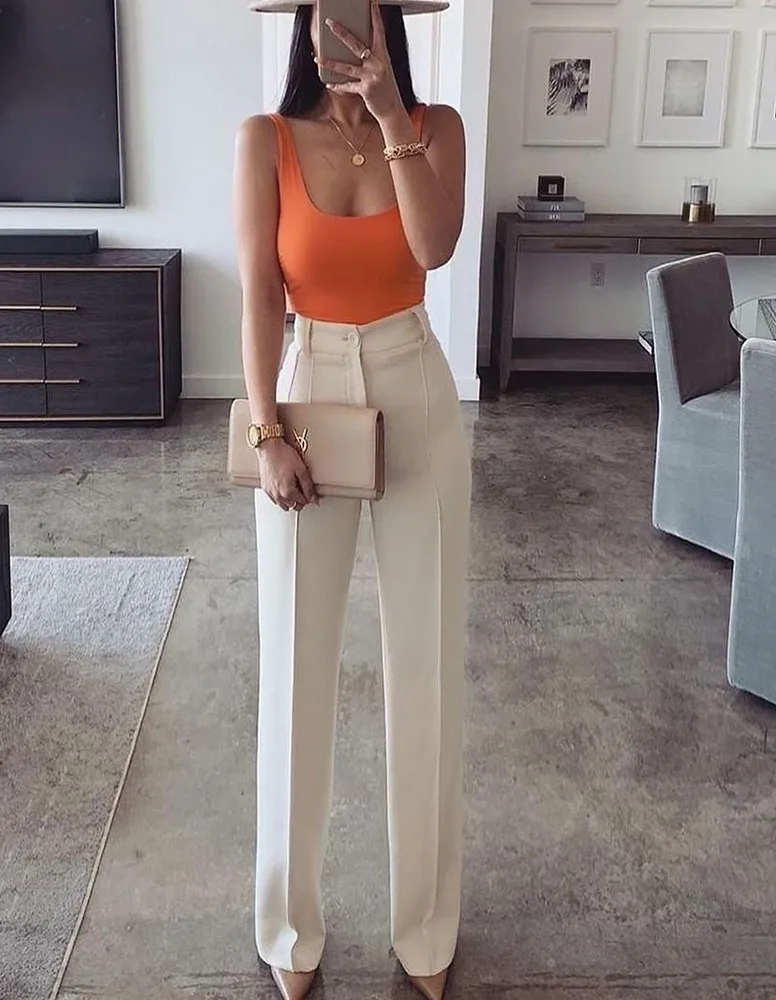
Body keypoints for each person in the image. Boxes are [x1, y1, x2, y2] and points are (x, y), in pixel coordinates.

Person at [233, 2, 470, 998]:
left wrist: (391, 118)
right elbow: (259, 289)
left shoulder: (436, 126)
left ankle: (426, 931)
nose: (343, 29)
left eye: (361, 10)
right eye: (326, 10)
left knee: (427, 664)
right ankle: (289, 931)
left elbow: (434, 247)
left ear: (385, 21)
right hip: (309, 389)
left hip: (413, 380)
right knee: (295, 664)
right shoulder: (265, 139)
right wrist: (266, 430)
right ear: (306, 23)